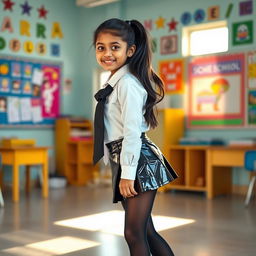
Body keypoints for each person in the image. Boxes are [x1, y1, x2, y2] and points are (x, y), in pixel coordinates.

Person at [93, 18, 178, 256]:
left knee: (134, 233)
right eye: (101, 47)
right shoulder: (113, 83)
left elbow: (131, 133)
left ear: (130, 51)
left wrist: (127, 175)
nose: (107, 53)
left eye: (115, 47)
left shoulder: (127, 83)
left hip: (136, 160)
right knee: (145, 231)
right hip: (126, 159)